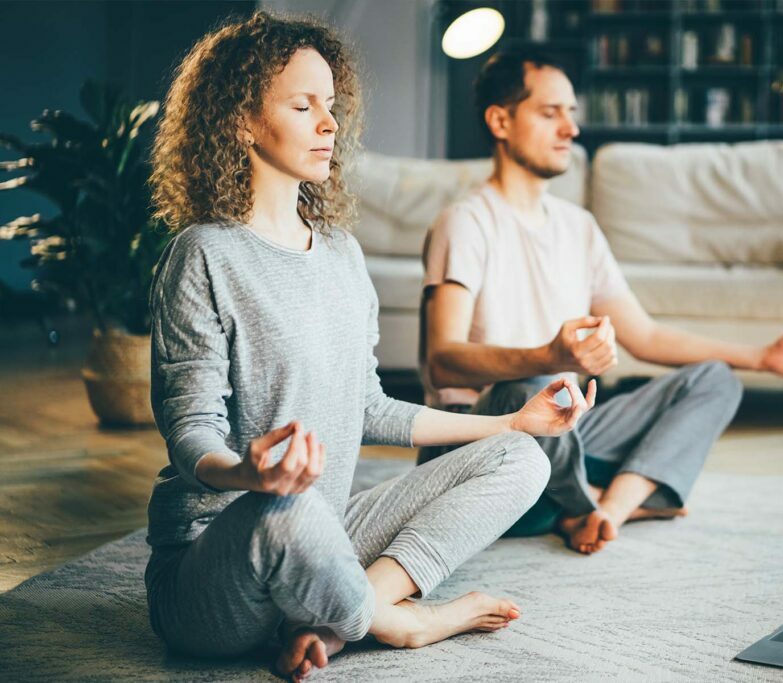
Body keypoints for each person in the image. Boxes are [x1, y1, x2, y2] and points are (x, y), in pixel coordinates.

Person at [146, 14, 597, 682]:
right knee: (285, 512)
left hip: (325, 531)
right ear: (241, 121)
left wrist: (511, 420)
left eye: (331, 105)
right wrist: (253, 475)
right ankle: (403, 619)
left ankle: (332, 616)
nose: (329, 123)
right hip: (220, 562)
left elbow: (371, 406)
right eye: (303, 106)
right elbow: (191, 435)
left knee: (520, 458)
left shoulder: (340, 254)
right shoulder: (203, 255)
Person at [420, 48, 783, 556]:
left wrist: (762, 358)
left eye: (572, 114)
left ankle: (604, 511)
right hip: (480, 441)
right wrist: (549, 357)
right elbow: (443, 361)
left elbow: (647, 337)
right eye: (550, 114)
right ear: (500, 120)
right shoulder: (466, 221)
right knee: (539, 384)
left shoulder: (578, 228)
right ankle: (590, 502)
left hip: (562, 433)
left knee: (715, 379)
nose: (570, 129)